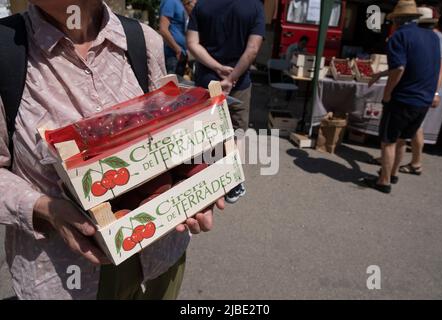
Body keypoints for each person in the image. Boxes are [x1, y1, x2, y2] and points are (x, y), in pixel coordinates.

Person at [0, 0, 223, 300]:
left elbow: (171, 133)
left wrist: (197, 184)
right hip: (66, 279)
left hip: (160, 260)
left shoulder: (143, 40)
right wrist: (45, 209)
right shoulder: (6, 52)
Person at [186, 0, 265, 203]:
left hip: (207, 80)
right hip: (239, 84)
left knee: (207, 131)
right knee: (237, 132)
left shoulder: (202, 5)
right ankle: (232, 183)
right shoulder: (254, 7)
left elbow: (192, 43)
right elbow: (253, 49)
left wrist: (218, 68)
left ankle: (203, 180)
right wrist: (231, 78)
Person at [362, 0, 440, 194]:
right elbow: (417, 65)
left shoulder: (399, 36)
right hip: (423, 99)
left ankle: (384, 181)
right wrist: (381, 74)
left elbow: (399, 68)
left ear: (397, 19)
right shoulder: (432, 37)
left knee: (388, 140)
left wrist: (387, 94)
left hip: (403, 98)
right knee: (402, 138)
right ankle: (393, 173)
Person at [159, 0, 188, 77]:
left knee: (179, 84)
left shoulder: (181, 3)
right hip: (172, 54)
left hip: (181, 53)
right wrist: (177, 49)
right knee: (171, 84)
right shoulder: (170, 2)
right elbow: (163, 29)